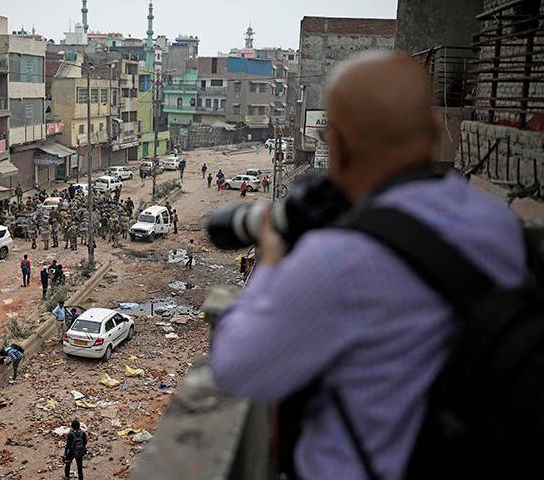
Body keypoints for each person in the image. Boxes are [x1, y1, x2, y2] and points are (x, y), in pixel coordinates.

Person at [210, 52, 527, 479]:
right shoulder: (501, 224)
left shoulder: (339, 260)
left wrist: (270, 263)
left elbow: (235, 367)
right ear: (435, 130)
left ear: (335, 144)